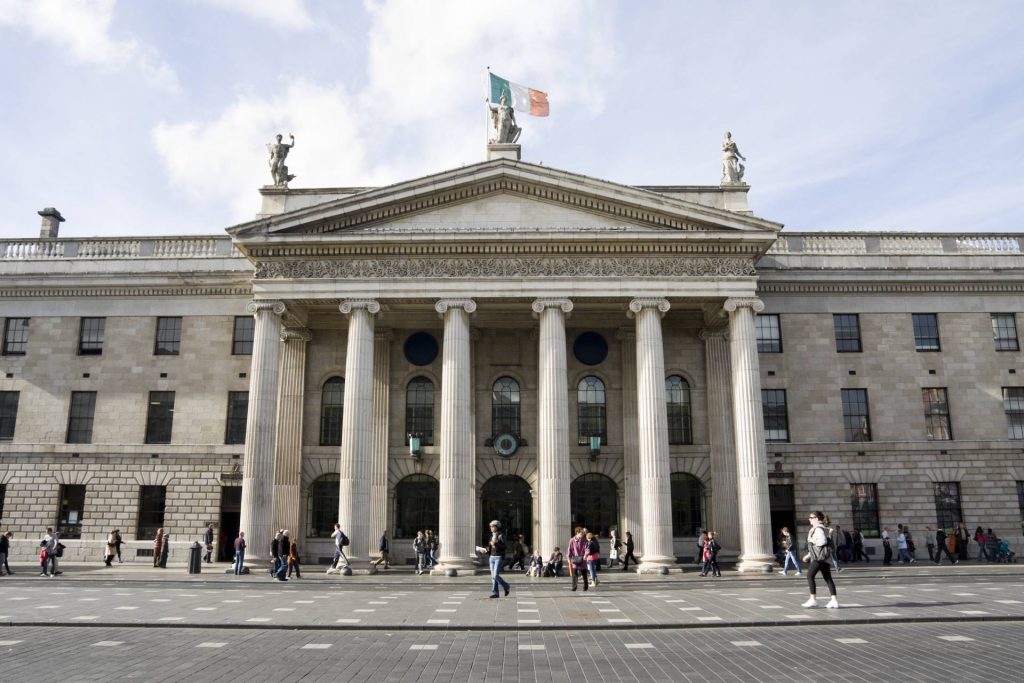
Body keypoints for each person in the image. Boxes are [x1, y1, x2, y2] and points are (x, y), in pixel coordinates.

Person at [801, 511, 839, 609]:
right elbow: (819, 547)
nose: (809, 519)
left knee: (810, 575)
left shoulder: (818, 529)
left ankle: (813, 600)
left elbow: (822, 542)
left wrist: (811, 540)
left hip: (819, 558)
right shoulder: (824, 528)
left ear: (817, 519)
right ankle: (834, 601)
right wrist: (808, 555)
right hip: (825, 557)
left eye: (811, 517)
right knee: (828, 578)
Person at [486, 520, 510, 598]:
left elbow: (505, 546)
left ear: (497, 527)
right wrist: (485, 550)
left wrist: (496, 543)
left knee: (495, 575)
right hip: (491, 557)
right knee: (493, 576)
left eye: (493, 526)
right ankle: (495, 593)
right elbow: (490, 548)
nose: (491, 528)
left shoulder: (501, 535)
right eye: (490, 526)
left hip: (498, 557)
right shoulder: (491, 536)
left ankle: (506, 586)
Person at [567, 527, 590, 592]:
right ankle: (574, 587)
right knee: (575, 574)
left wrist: (586, 555)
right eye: (581, 533)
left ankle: (585, 586)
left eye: (583, 533)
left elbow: (587, 548)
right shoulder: (572, 540)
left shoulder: (585, 540)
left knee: (584, 573)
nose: (582, 534)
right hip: (575, 559)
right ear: (577, 533)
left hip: (583, 559)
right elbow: (570, 550)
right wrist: (569, 558)